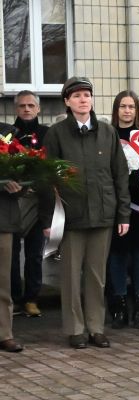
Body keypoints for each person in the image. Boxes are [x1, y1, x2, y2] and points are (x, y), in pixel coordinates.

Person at [41, 77, 130, 349]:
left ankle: (95, 327)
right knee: (69, 276)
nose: (83, 100)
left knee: (96, 275)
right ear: (67, 101)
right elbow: (47, 177)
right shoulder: (56, 134)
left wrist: (123, 215)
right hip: (70, 217)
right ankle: (75, 329)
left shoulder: (107, 132)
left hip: (103, 215)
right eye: (77, 96)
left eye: (87, 95)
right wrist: (48, 218)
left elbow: (120, 175)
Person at [107, 90, 139, 329]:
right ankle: (118, 305)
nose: (127, 111)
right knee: (117, 255)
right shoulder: (106, 134)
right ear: (116, 109)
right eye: (123, 106)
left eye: (131, 107)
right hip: (115, 206)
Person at [10, 90, 49, 318]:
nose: (26, 109)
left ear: (38, 108)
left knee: (35, 254)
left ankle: (32, 298)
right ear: (17, 108)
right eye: (22, 105)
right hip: (13, 202)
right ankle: (15, 298)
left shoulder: (47, 134)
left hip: (39, 202)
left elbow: (53, 165)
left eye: (30, 105)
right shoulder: (7, 134)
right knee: (11, 254)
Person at [1, 174, 24, 352]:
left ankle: (4, 334)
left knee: (3, 284)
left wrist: (19, 186)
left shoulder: (8, 145)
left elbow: (24, 177)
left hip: (3, 221)